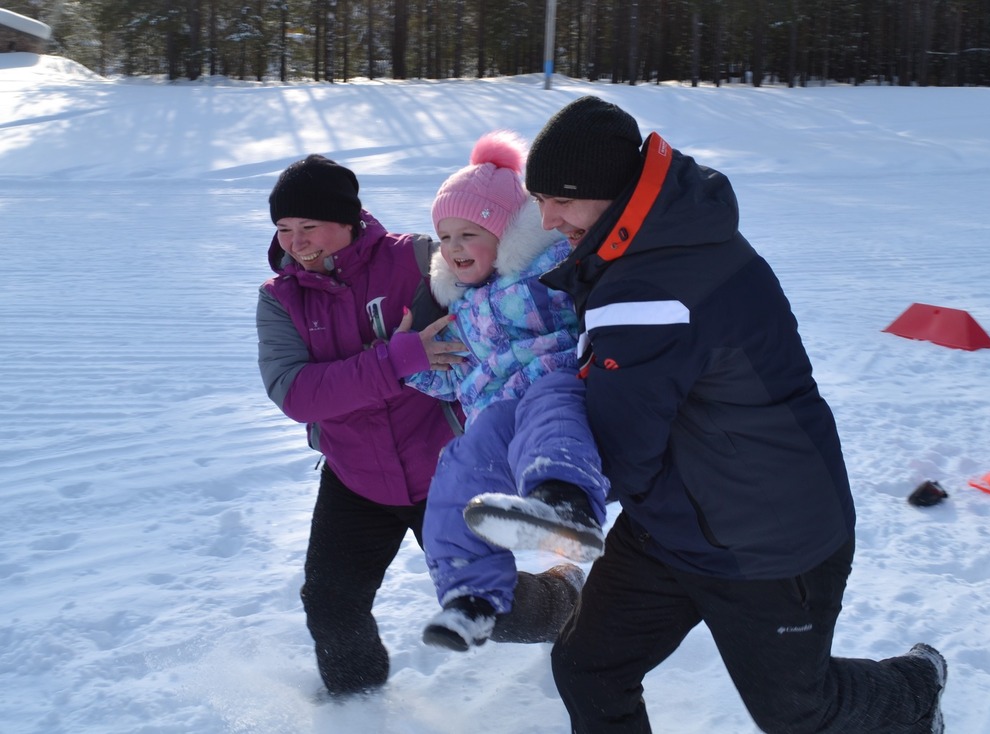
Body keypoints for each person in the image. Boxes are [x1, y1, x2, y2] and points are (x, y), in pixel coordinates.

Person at [525, 96, 948, 733]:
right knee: (588, 666)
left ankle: (916, 687)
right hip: (671, 522)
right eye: (538, 198)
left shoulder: (653, 289)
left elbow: (617, 452)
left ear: (613, 193)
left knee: (799, 713)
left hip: (767, 540)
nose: (548, 219)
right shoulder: (655, 241)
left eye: (561, 198)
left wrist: (523, 442)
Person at [256, 154, 466, 697]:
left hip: (445, 470)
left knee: (492, 604)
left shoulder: (422, 258)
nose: (295, 243)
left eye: (308, 227)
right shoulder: (280, 298)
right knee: (330, 605)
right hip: (355, 478)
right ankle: (359, 707)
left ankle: (562, 601)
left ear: (349, 221)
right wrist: (397, 359)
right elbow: (295, 392)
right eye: (283, 229)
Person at [402, 130, 610, 652]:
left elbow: (594, 298)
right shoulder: (462, 306)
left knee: (549, 409)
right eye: (444, 238)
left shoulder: (545, 270)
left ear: (505, 235)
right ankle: (470, 598)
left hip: (558, 386)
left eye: (468, 234)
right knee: (456, 467)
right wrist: (413, 359)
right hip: (496, 415)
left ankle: (564, 501)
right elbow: (452, 373)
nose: (453, 249)